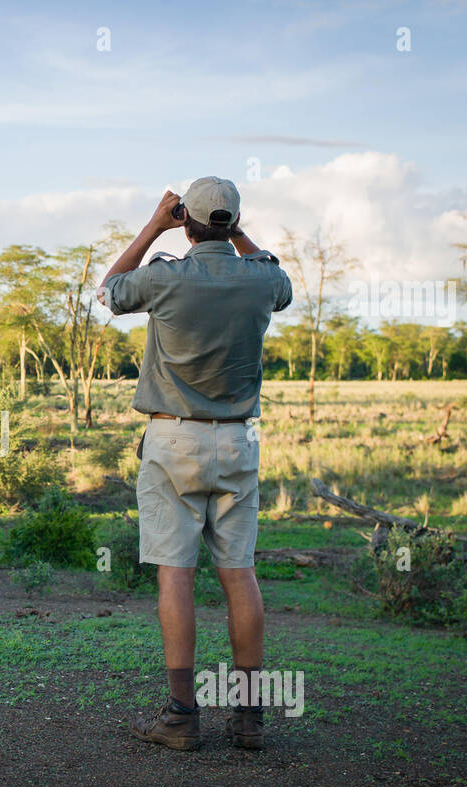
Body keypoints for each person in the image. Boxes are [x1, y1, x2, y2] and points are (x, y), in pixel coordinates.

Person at [97, 176, 292, 751]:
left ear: (187, 221)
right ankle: (249, 718)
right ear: (233, 222)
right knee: (240, 574)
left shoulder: (165, 275)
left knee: (175, 574)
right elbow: (277, 278)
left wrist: (156, 223)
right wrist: (235, 231)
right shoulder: (261, 281)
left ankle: (182, 716)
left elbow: (108, 293)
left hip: (173, 440)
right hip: (237, 442)